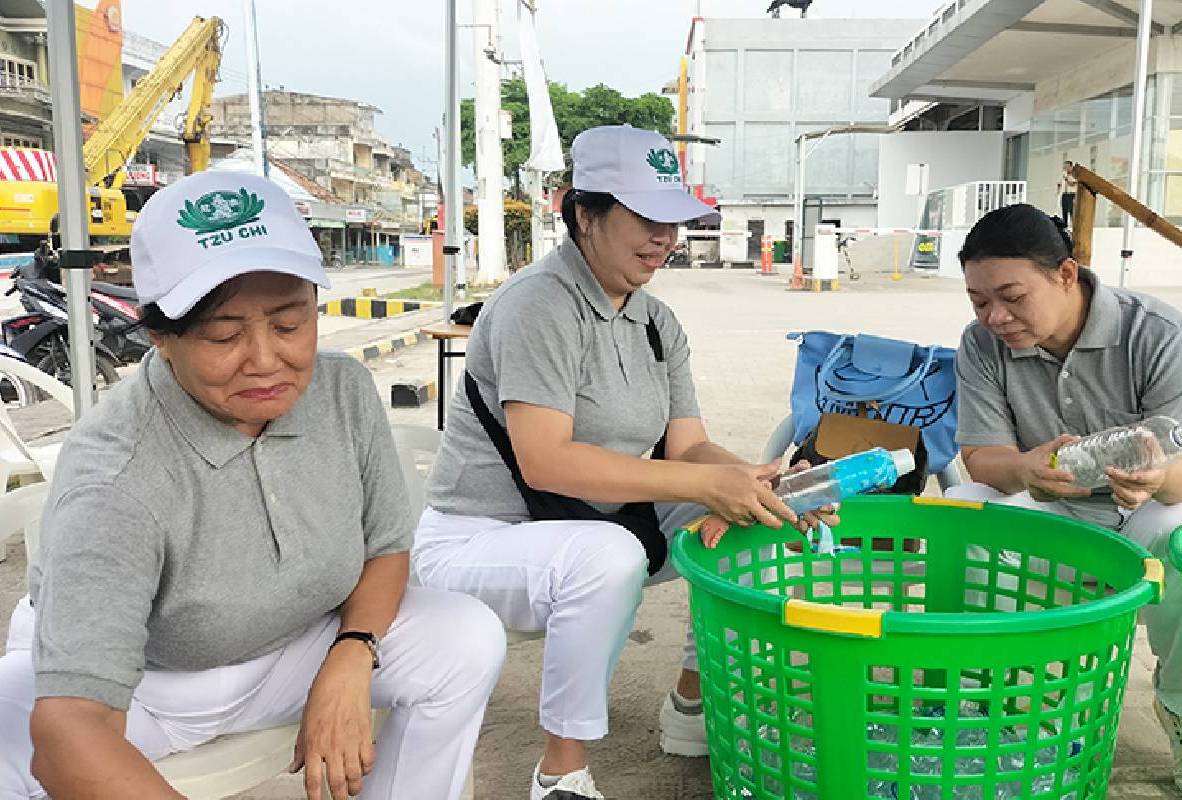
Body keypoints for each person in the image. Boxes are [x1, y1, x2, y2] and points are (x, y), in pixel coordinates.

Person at [0, 172, 506, 800]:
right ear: (160, 335)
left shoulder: (341, 391)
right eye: (223, 334)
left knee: (464, 636)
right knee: (17, 736)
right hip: (144, 686)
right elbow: (72, 726)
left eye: (290, 324)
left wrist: (352, 654)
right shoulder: (115, 474)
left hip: (298, 647)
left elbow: (384, 549)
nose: (266, 359)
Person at [410, 124, 836, 800]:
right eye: (646, 217)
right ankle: (561, 772)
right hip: (481, 537)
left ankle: (691, 705)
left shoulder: (656, 322)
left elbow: (690, 448)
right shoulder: (537, 307)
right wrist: (705, 481)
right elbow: (546, 461)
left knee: (747, 514)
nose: (666, 237)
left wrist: (766, 483)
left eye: (675, 219)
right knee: (608, 555)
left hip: (596, 525)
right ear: (582, 213)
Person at [947, 203, 1182, 799]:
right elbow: (984, 458)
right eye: (979, 301)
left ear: (1066, 274)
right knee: (967, 505)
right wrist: (1025, 468)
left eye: (1011, 296)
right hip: (1054, 513)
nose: (995, 317)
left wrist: (1155, 478)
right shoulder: (980, 345)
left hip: (1140, 513)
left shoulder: (1159, 336)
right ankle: (996, 696)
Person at [1058, 159, 1078, 228]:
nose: (1066, 168)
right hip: (1064, 195)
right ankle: (1065, 227)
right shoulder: (1063, 174)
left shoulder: (1074, 175)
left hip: (1072, 195)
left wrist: (1066, 178)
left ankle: (1074, 227)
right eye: (1065, 167)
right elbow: (1059, 183)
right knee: (1064, 212)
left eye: (1067, 166)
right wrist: (1058, 189)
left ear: (1071, 166)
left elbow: (1072, 184)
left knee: (1072, 212)